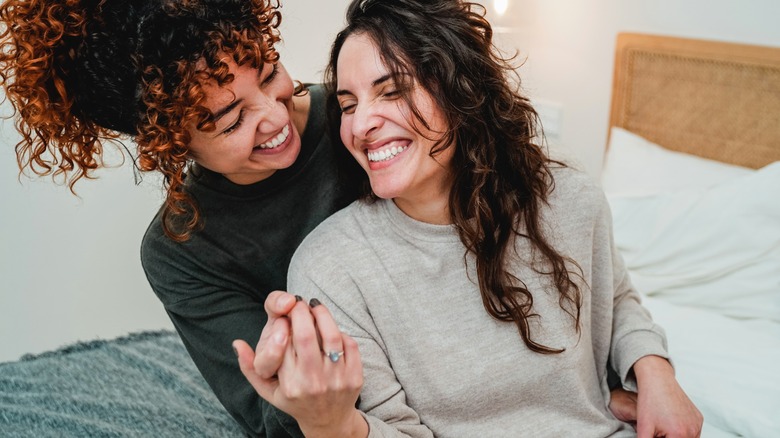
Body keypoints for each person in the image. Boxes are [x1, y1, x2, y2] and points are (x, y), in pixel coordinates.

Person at [234, 0, 704, 437]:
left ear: (460, 88)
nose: (360, 125)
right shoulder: (332, 268)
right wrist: (333, 426)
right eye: (348, 105)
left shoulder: (568, 197)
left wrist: (655, 370)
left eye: (392, 90)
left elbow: (614, 295)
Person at [0, 0, 361, 435]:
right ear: (171, 144)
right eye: (232, 121)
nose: (275, 115)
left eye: (269, 75)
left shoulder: (359, 115)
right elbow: (268, 418)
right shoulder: (180, 250)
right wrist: (306, 396)